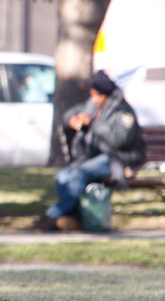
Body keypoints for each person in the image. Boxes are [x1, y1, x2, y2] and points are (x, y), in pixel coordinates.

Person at [35, 70, 146, 231]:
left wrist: (93, 123)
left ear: (106, 95)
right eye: (92, 95)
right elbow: (72, 112)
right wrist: (72, 119)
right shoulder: (92, 107)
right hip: (94, 157)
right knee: (63, 176)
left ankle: (55, 214)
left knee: (79, 173)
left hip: (119, 159)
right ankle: (73, 215)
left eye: (97, 96)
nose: (93, 99)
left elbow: (118, 140)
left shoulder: (123, 112)